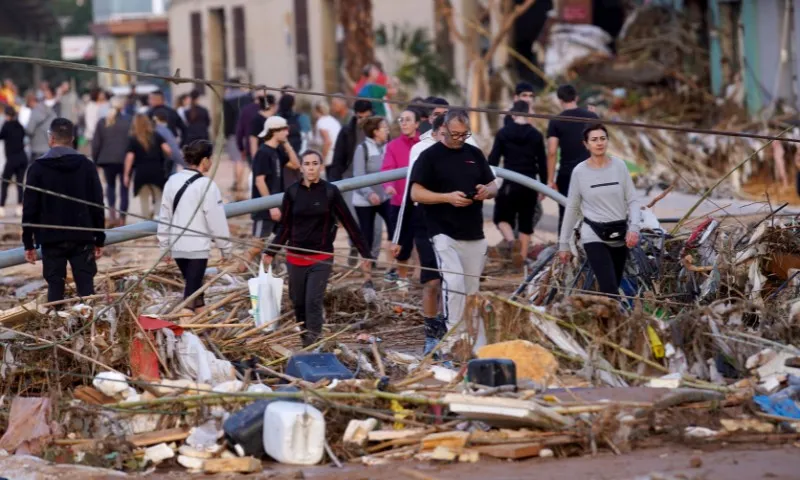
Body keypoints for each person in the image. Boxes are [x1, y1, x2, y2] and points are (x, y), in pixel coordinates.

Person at [410, 109, 497, 356]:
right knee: (454, 281)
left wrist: (486, 191)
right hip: (442, 229)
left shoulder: (474, 153)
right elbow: (416, 193)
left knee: (471, 289)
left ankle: (474, 341)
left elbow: (493, 184)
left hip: (473, 230)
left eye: (464, 134)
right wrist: (446, 197)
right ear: (444, 130)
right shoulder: (429, 156)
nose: (459, 138)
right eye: (455, 134)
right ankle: (451, 336)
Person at [263, 150, 372, 347]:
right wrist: (270, 251)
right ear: (302, 167)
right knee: (298, 302)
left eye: (315, 163)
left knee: (313, 301)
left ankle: (314, 343)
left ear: (320, 167)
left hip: (321, 257)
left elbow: (349, 222)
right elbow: (285, 226)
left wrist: (365, 253)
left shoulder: (330, 192)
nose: (311, 167)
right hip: (295, 257)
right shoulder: (292, 192)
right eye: (307, 164)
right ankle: (306, 340)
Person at [22, 118, 105, 302]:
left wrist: (28, 242)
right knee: (86, 289)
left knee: (55, 288)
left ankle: (57, 320)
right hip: (82, 235)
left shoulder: (37, 168)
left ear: (51, 139)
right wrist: (99, 238)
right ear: (72, 139)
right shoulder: (87, 166)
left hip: (51, 239)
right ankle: (89, 326)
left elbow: (30, 208)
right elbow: (97, 204)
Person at [558, 124, 641, 296]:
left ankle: (606, 320)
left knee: (614, 286)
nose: (599, 143)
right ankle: (613, 321)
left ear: (608, 141)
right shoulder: (579, 172)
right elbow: (572, 207)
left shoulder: (620, 166)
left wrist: (634, 228)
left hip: (619, 231)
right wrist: (563, 243)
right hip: (593, 232)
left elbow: (632, 200)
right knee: (609, 288)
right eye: (594, 140)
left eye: (603, 138)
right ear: (586, 144)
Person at [158, 140, 232, 312]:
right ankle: (182, 333)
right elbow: (217, 221)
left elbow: (164, 216)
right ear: (204, 160)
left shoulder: (172, 180)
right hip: (197, 249)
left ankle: (202, 334)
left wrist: (164, 246)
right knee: (190, 296)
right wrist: (225, 249)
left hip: (177, 247)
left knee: (197, 293)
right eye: (210, 158)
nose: (212, 162)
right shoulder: (207, 185)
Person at [488, 100, 547, 267]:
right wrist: (543, 187)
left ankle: (511, 240)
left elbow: (493, 159)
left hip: (509, 183)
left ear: (513, 114)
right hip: (529, 184)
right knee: (526, 222)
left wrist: (488, 179)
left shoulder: (503, 133)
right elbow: (542, 163)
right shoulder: (536, 135)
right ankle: (520, 259)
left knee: (501, 217)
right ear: (528, 114)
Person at [243, 116, 298, 267]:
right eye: (284, 129)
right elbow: (259, 181)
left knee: (286, 238)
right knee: (257, 246)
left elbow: (295, 164)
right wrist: (271, 206)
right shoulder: (263, 153)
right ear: (274, 131)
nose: (287, 132)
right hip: (265, 209)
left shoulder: (277, 151)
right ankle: (238, 269)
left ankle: (269, 267)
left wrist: (287, 144)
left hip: (278, 208)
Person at [546, 84, 599, 231]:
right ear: (576, 97)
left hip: (567, 174)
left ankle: (565, 250)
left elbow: (551, 151)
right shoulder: (592, 117)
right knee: (592, 213)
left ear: (559, 100)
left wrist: (550, 179)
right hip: (591, 172)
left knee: (566, 214)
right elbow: (599, 144)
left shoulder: (556, 121)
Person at [381, 108, 420, 286]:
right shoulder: (393, 146)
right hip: (400, 203)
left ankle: (424, 279)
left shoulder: (424, 145)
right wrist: (388, 186)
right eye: (401, 119)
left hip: (423, 203)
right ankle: (402, 282)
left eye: (408, 119)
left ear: (417, 124)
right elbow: (387, 169)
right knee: (401, 245)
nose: (403, 123)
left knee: (425, 242)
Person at [352, 116, 394, 262]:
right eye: (384, 128)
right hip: (364, 201)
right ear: (375, 131)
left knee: (394, 229)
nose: (387, 130)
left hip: (385, 197)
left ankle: (391, 268)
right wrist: (369, 194)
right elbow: (358, 175)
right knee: (367, 236)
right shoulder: (362, 149)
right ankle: (367, 274)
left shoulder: (388, 147)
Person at [92, 97, 132, 227]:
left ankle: (112, 216)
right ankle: (122, 218)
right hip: (124, 159)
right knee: (124, 189)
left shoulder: (102, 122)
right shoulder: (128, 122)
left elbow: (96, 144)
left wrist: (95, 160)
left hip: (107, 159)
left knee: (110, 187)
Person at [124, 114, 173, 219]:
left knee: (144, 198)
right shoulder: (156, 135)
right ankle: (157, 218)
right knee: (159, 196)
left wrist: (126, 175)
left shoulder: (133, 139)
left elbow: (130, 157)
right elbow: (168, 150)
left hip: (141, 172)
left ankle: (146, 221)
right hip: (157, 170)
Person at [0, 107, 27, 217]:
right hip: (22, 158)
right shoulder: (20, 126)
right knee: (20, 184)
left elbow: (1, 136)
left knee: (5, 183)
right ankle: (20, 207)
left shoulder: (7, 125)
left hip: (12, 159)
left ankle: (1, 207)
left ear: (7, 115)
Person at [25, 92, 57, 163]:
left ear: (31, 101)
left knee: (37, 172)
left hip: (37, 148)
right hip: (50, 147)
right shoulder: (49, 110)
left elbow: (30, 130)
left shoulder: (34, 112)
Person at [154, 110, 185, 175]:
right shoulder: (165, 131)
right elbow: (173, 150)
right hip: (167, 162)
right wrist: (185, 164)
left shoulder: (154, 130)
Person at [312, 100, 341, 170]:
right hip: (338, 155)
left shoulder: (321, 122)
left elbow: (327, 142)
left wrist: (322, 161)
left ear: (316, 110)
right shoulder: (332, 120)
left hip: (329, 158)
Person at [248, 94, 277, 159]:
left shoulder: (274, 119)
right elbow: (253, 141)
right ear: (272, 105)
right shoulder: (257, 120)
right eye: (275, 104)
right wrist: (255, 160)